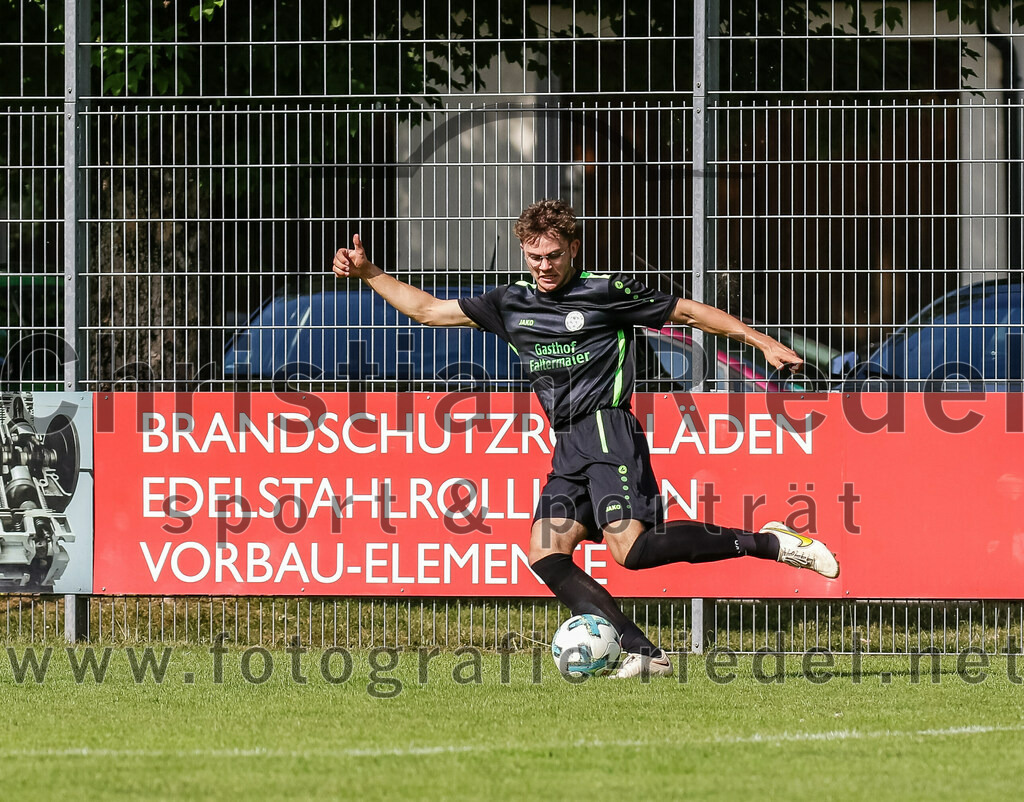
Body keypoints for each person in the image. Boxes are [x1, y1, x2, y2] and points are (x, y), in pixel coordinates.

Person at [332, 199, 839, 679]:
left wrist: (762, 341)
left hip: (607, 430)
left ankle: (770, 542)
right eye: (534, 257)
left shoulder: (605, 292)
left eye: (553, 256)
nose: (544, 267)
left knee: (631, 551)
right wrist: (370, 273)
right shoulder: (511, 302)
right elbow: (429, 311)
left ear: (574, 249)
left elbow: (687, 312)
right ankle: (642, 652)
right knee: (546, 554)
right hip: (568, 442)